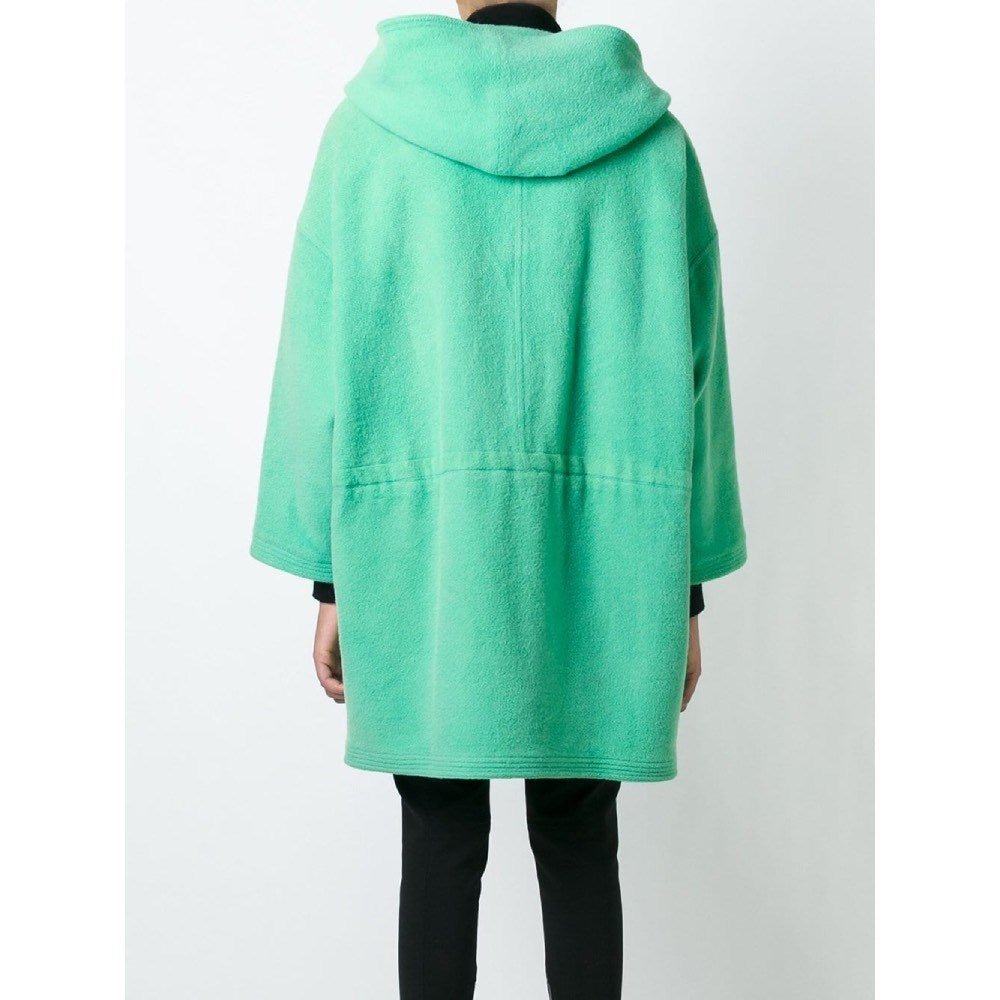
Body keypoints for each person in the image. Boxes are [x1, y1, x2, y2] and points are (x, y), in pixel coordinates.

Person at [251, 2, 747, 997]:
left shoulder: (368, 138)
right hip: (607, 562)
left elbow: (317, 370)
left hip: (419, 554)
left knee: (437, 838)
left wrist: (330, 578)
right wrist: (684, 590)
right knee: (579, 835)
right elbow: (699, 385)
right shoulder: (655, 148)